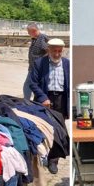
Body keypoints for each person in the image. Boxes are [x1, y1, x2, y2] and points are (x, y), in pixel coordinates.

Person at [30, 38, 70, 174]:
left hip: (61, 100)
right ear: (48, 50)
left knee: (58, 131)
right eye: (54, 51)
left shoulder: (67, 64)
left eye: (60, 51)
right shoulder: (39, 63)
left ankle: (54, 161)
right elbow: (33, 83)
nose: (57, 54)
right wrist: (43, 98)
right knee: (42, 128)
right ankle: (41, 156)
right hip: (45, 99)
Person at [23, 22, 49, 100]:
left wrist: (41, 61)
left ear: (34, 31)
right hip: (33, 67)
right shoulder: (35, 38)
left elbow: (49, 50)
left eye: (29, 32)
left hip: (37, 67)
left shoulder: (41, 38)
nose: (28, 34)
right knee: (35, 85)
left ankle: (26, 102)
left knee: (28, 85)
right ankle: (37, 101)